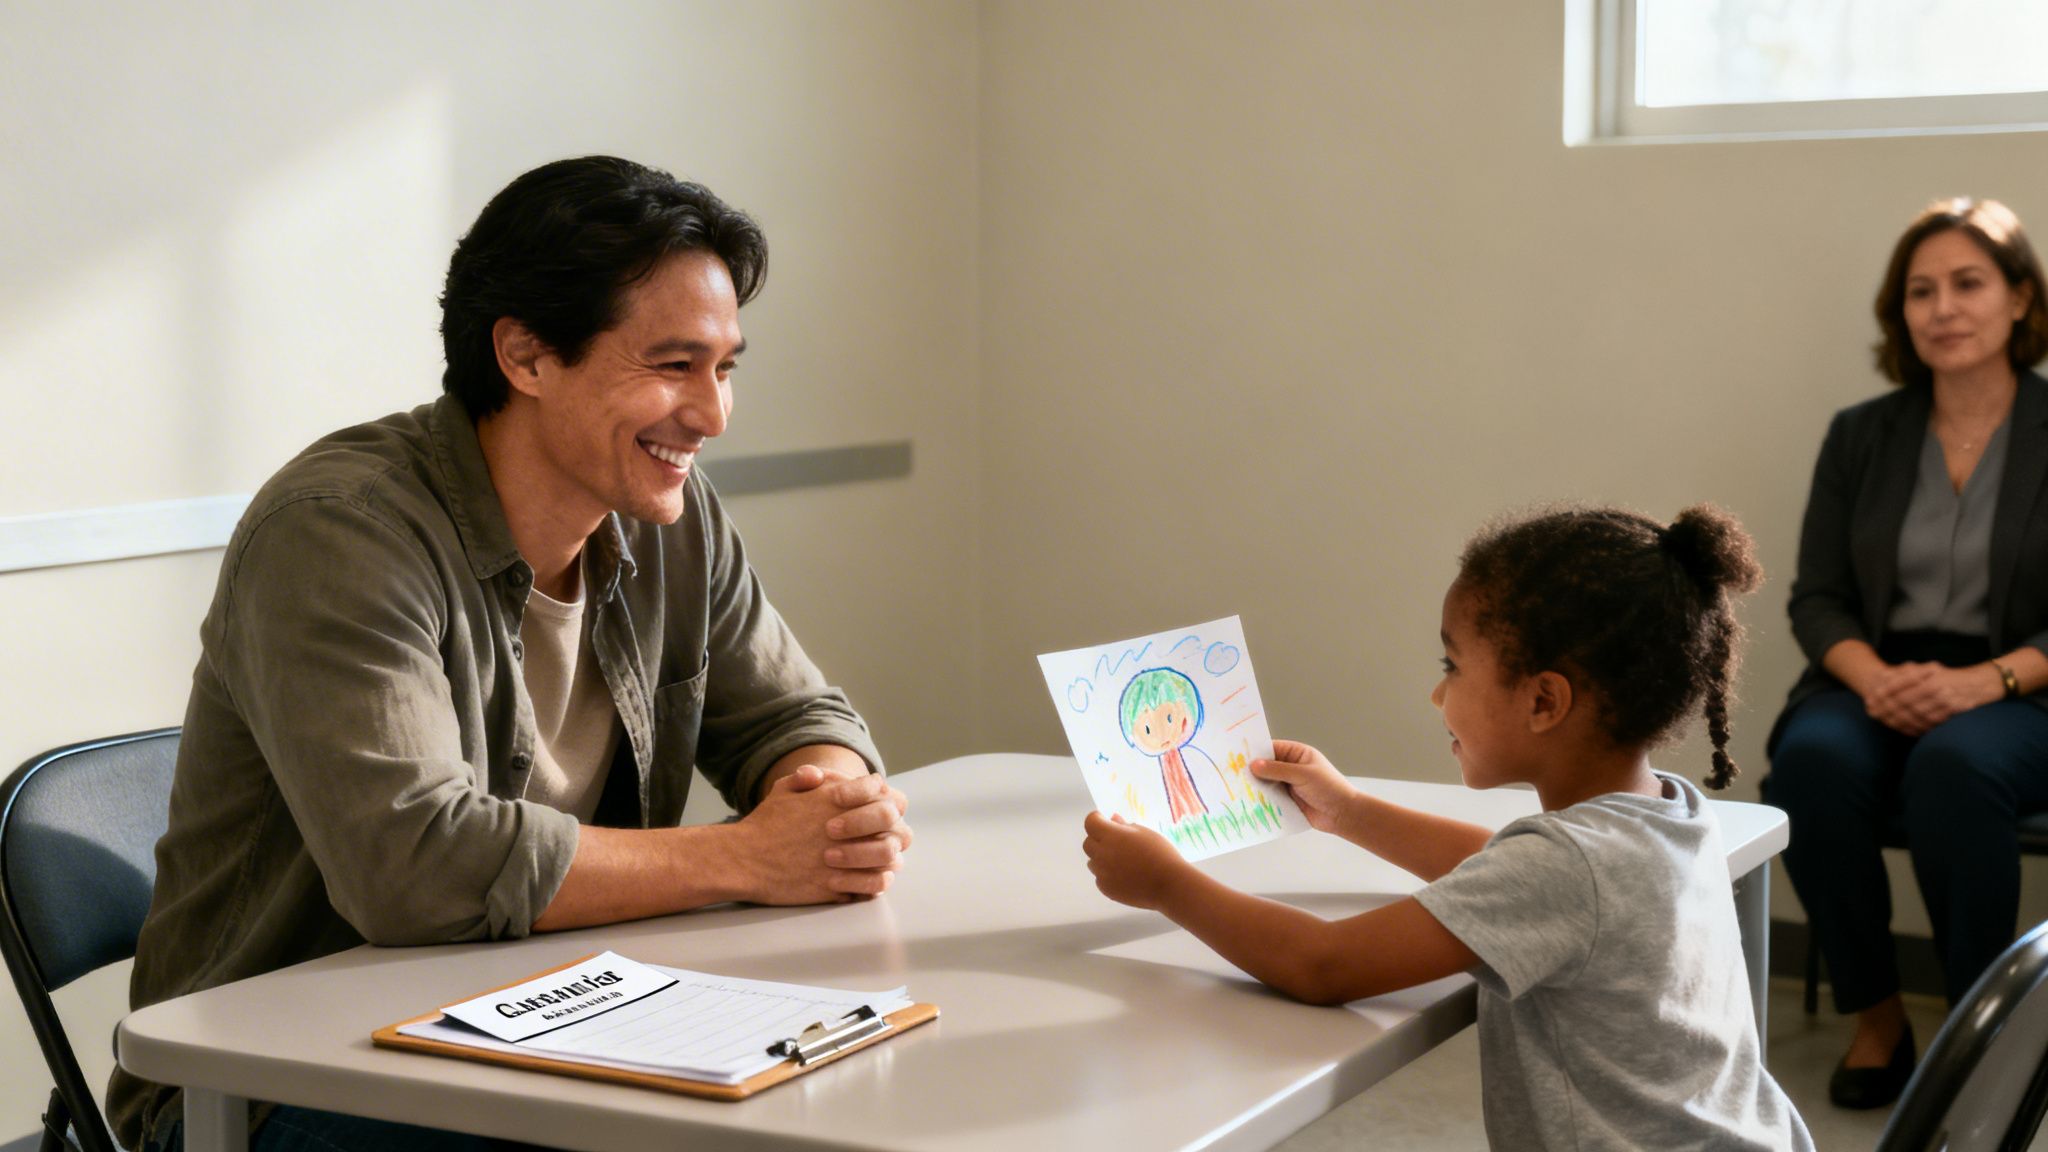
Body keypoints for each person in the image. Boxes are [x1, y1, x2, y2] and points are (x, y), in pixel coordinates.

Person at [109, 156, 913, 1152]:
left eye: (724, 366)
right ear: (525, 357)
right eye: (673, 365)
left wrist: (825, 805)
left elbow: (795, 717)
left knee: (864, 1088)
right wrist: (748, 857)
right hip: (272, 1089)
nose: (711, 414)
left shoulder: (665, 509)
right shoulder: (339, 532)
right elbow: (415, 867)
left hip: (551, 1020)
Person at [1082, 505, 1813, 1151]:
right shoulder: (1668, 812)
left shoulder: (1565, 869)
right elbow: (1511, 873)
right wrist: (1346, 810)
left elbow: (1323, 966)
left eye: (1452, 666)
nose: (1438, 694)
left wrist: (1166, 885)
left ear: (1543, 701)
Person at [1764, 196, 2048, 1110]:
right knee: (1809, 761)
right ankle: (1878, 1018)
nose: (1942, 308)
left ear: (2019, 299)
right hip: (1873, 671)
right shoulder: (1862, 434)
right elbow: (1817, 597)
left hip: (2023, 684)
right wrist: (1877, 679)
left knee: (1956, 772)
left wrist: (1983, 682)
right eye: (1920, 291)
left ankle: (1981, 1035)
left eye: (1968, 284)